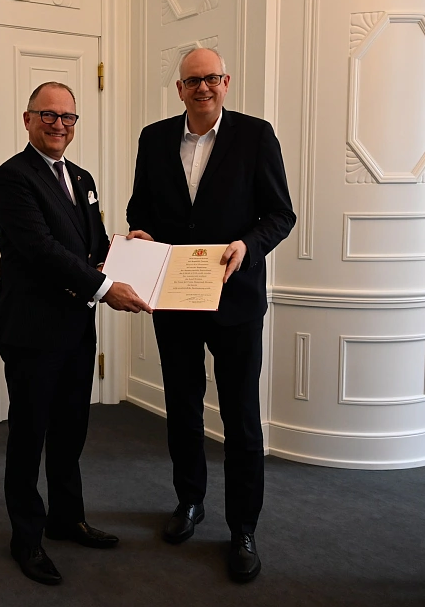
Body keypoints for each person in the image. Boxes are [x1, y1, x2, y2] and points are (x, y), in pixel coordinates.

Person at [126, 48, 296, 582]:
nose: (203, 88)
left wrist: (249, 242)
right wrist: (142, 235)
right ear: (179, 89)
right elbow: (141, 209)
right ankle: (189, 502)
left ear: (226, 82)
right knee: (182, 408)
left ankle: (243, 527)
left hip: (236, 300)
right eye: (192, 80)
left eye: (212, 79)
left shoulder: (255, 135)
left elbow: (280, 214)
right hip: (174, 298)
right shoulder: (154, 138)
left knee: (242, 420)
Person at [0, 81, 151, 586]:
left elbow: (92, 243)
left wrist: (127, 247)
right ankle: (27, 537)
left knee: (70, 430)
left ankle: (66, 517)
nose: (60, 124)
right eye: (49, 115)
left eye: (69, 117)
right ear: (27, 119)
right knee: (30, 433)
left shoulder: (81, 176)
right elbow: (41, 251)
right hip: (32, 330)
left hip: (76, 327)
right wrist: (106, 287)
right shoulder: (12, 178)